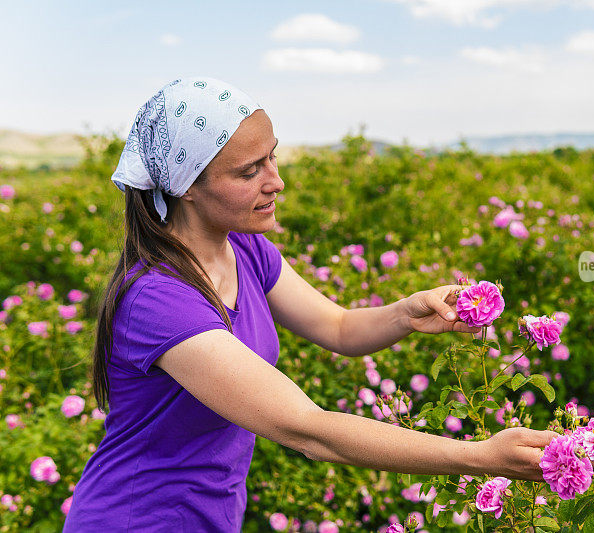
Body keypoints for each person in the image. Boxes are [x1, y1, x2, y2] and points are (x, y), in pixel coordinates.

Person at [63, 77, 556, 532]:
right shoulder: (159, 299)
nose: (275, 181)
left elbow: (339, 327)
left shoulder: (245, 250)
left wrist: (408, 312)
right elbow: (309, 430)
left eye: (272, 157)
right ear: (187, 185)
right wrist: (482, 457)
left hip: (210, 516)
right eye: (249, 170)